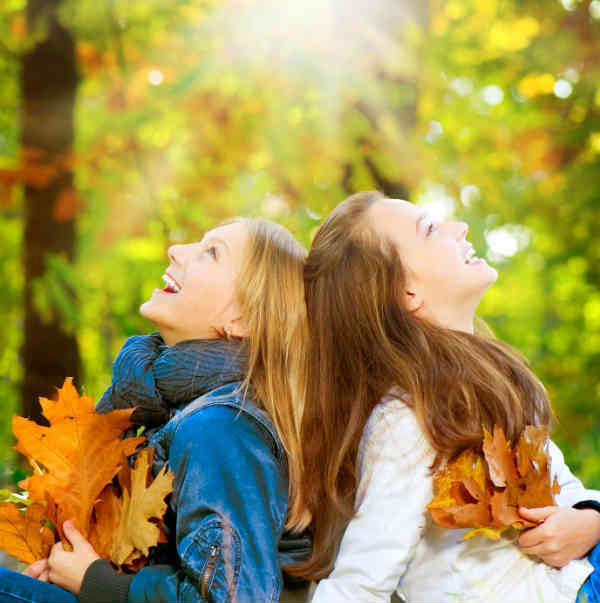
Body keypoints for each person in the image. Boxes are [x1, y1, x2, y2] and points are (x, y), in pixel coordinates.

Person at [287, 190, 600, 602]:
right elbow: (364, 578)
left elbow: (565, 485)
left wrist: (589, 518)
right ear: (408, 292)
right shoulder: (407, 419)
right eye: (431, 230)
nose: (460, 228)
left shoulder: (499, 378)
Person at [0, 217, 311, 602]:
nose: (176, 250)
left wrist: (98, 583)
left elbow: (233, 596)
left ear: (242, 318)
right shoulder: (162, 408)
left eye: (212, 252)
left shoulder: (221, 428)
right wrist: (72, 568)